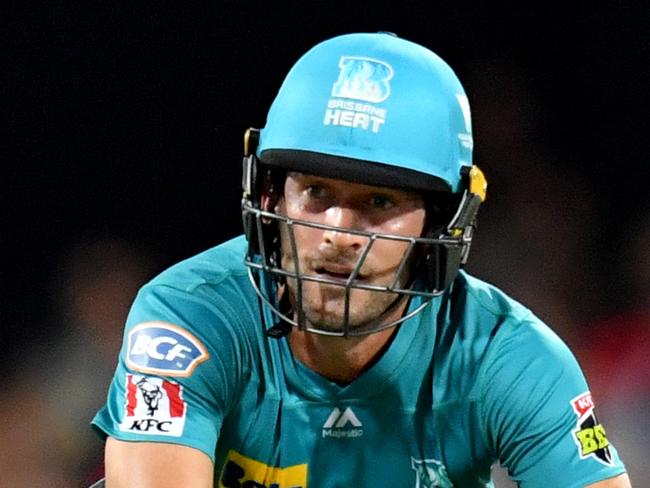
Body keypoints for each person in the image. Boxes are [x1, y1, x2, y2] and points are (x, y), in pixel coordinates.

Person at [91, 32, 631, 487]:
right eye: (316, 192)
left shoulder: (507, 358)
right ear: (271, 196)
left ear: (441, 220)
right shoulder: (190, 319)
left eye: (379, 202)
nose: (338, 233)